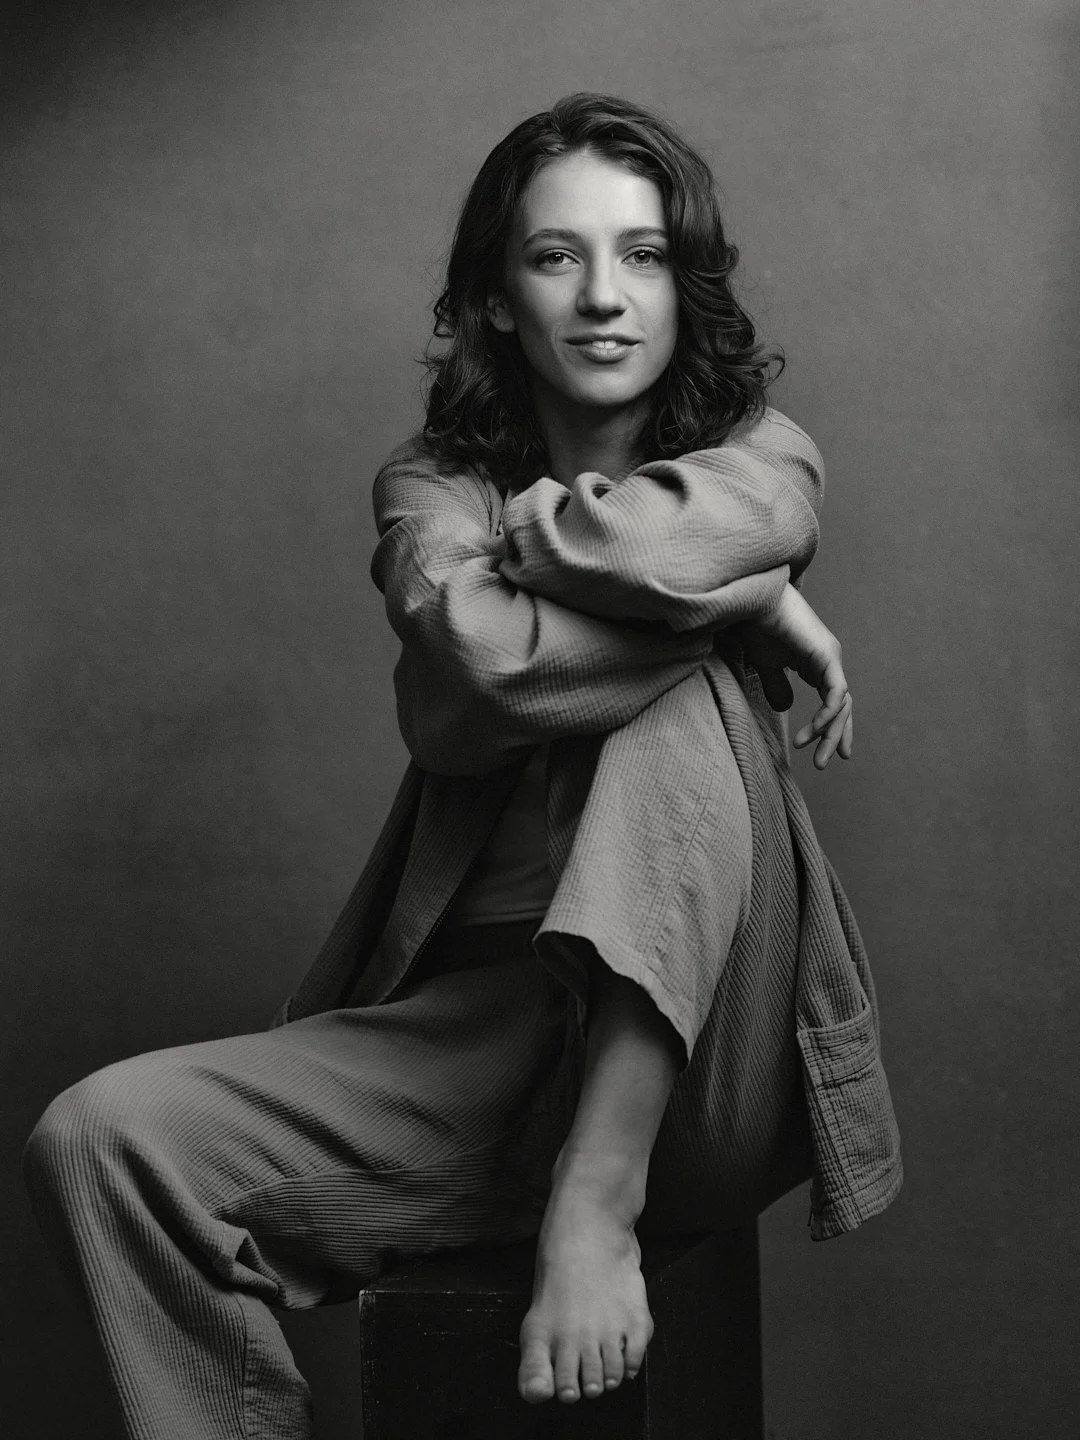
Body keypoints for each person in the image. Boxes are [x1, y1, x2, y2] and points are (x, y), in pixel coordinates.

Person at [23, 93, 902, 1438]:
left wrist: (665, 581)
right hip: (474, 1050)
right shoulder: (428, 486)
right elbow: (482, 667)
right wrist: (749, 600)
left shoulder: (764, 459)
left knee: (687, 703)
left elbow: (536, 631)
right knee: (99, 1138)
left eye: (647, 255)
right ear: (495, 297)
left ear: (686, 289)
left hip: (703, 1053)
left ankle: (595, 1201)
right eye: (557, 257)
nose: (606, 296)